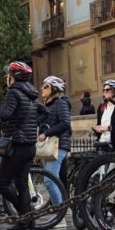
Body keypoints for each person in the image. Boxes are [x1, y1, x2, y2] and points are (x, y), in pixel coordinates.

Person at [0, 61, 39, 230]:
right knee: (22, 184)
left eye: (8, 74)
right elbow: (43, 113)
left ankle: (25, 216)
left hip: (17, 145)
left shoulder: (13, 92)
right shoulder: (32, 93)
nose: (6, 78)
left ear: (13, 77)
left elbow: (6, 114)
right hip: (30, 145)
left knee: (1, 183)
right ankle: (24, 222)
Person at [37, 75, 71, 206]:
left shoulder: (61, 103)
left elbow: (65, 123)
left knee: (49, 181)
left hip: (59, 146)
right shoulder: (47, 105)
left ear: (54, 89)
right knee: (53, 180)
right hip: (48, 148)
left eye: (45, 86)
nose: (42, 89)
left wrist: (46, 134)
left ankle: (60, 212)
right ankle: (60, 208)